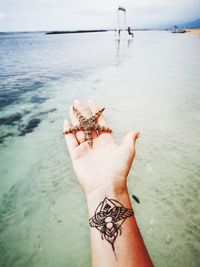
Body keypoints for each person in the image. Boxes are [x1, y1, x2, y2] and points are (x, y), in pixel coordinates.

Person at [63, 99, 154, 267]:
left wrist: (102, 188)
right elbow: (94, 124)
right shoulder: (91, 126)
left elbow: (84, 126)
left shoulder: (86, 126)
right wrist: (105, 187)